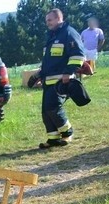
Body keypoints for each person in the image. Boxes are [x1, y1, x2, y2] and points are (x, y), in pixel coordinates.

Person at [37, 9, 86, 150]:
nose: (47, 23)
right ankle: (53, 139)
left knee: (53, 107)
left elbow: (78, 54)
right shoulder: (52, 36)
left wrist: (68, 72)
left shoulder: (69, 33)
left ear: (59, 18)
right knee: (46, 110)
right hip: (48, 80)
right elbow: (49, 60)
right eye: (46, 21)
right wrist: (41, 75)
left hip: (61, 80)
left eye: (50, 20)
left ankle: (67, 132)